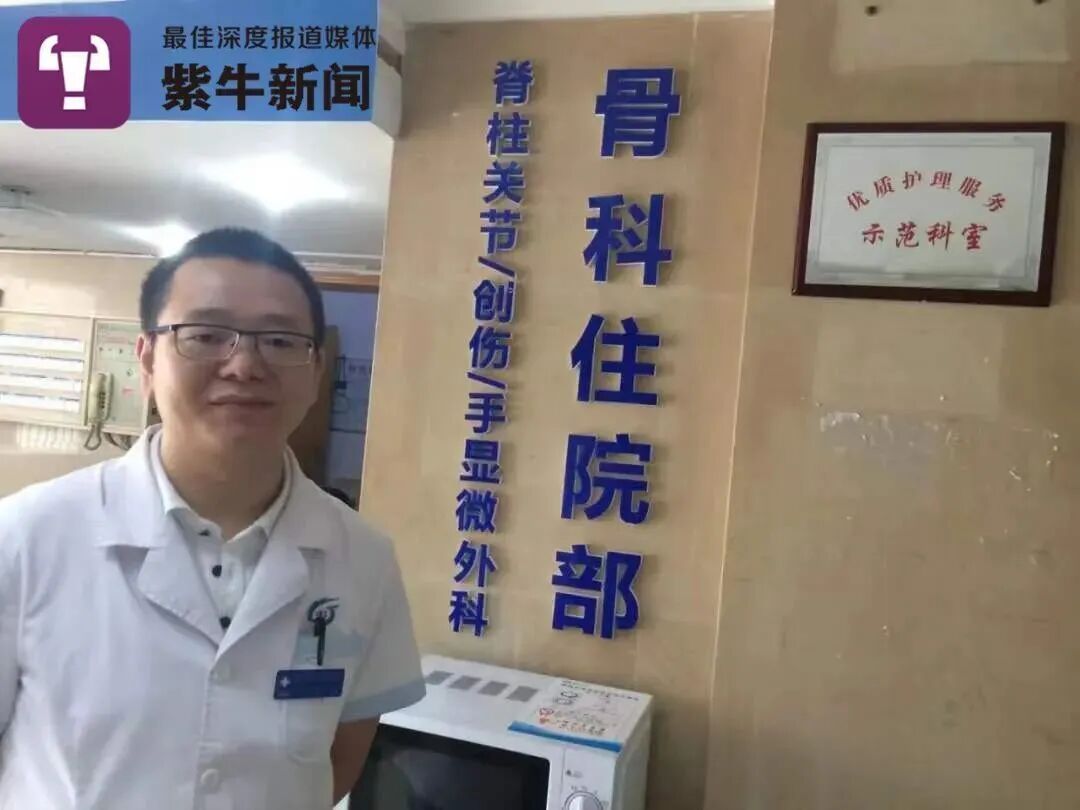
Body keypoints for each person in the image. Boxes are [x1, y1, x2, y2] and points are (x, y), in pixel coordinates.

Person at [0, 228, 425, 810]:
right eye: (205, 335)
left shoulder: (364, 558)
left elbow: (340, 758)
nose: (244, 365)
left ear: (316, 371)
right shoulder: (25, 536)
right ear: (147, 360)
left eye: (281, 340)